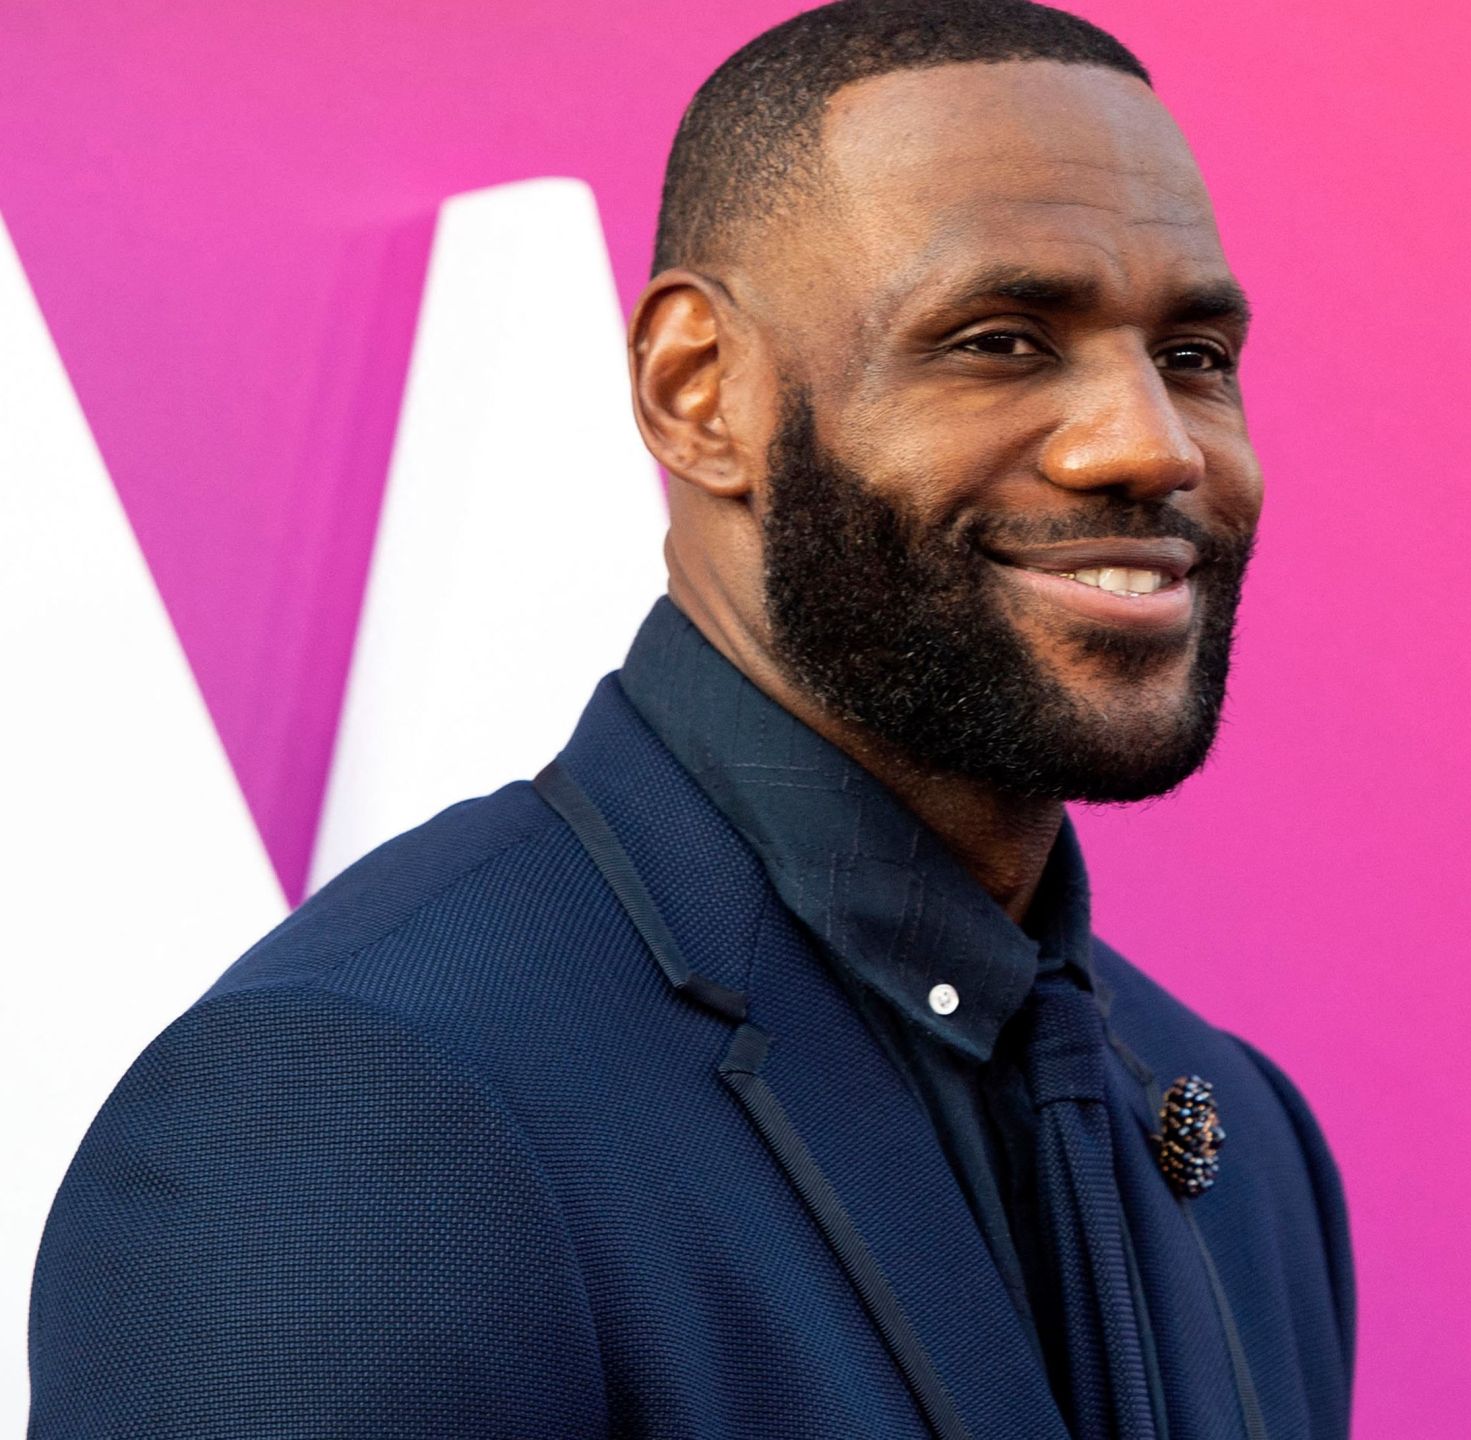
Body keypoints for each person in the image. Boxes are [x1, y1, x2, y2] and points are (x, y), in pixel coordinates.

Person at [27, 3, 1354, 1436]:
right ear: (697, 393)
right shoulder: (349, 1113)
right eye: (1001, 340)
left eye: (1196, 355)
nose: (1149, 441)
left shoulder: (1243, 1141)